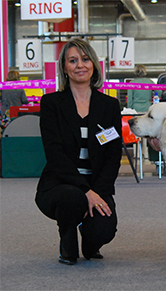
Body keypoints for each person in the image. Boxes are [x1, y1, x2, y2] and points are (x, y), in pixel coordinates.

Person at [35, 38, 122, 265]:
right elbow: (54, 154)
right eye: (72, 60)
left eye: (84, 59)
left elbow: (113, 155)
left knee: (103, 230)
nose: (79, 65)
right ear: (64, 67)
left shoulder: (109, 105)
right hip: (59, 185)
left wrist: (98, 192)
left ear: (93, 64)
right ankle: (67, 238)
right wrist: (86, 192)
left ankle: (90, 241)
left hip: (97, 186)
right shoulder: (51, 103)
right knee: (72, 198)